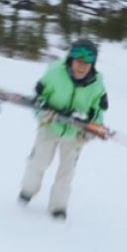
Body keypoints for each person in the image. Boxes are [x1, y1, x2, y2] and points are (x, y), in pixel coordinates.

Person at [18, 38, 108, 221]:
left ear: (93, 63)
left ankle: (58, 206)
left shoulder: (97, 84)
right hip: (49, 125)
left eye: (87, 62)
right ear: (70, 59)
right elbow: (38, 96)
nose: (82, 66)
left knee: (67, 171)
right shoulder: (54, 72)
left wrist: (91, 128)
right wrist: (41, 111)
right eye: (78, 60)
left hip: (75, 134)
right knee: (39, 162)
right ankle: (28, 189)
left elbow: (98, 109)